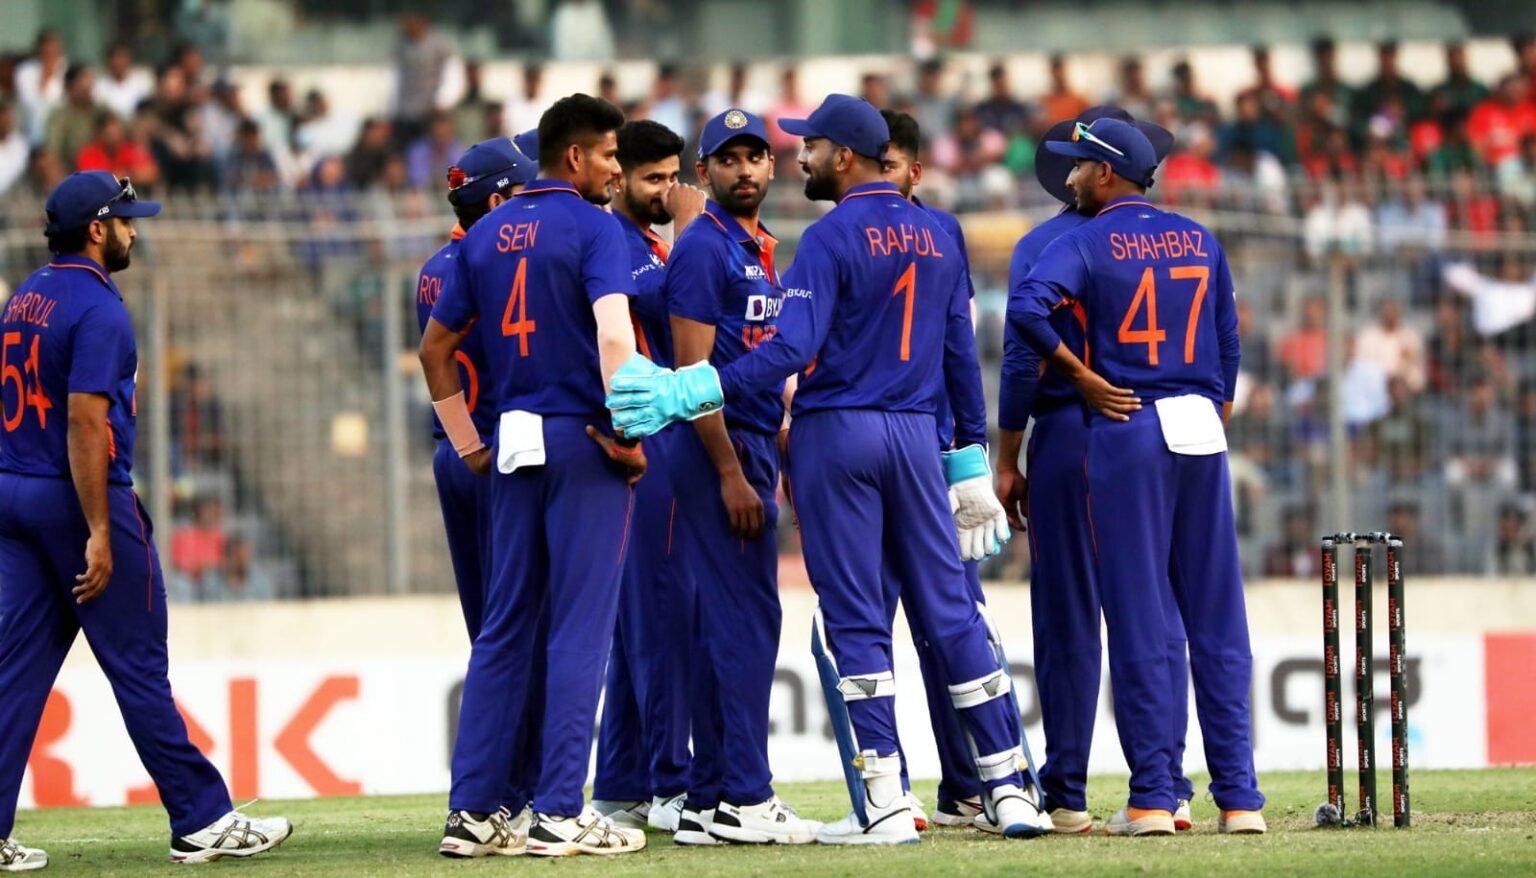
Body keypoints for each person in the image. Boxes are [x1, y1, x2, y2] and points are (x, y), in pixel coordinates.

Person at [607, 94, 1051, 844]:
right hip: (918, 435)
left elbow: (789, 350)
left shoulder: (826, 236)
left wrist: (693, 388)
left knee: (855, 615)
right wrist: (968, 458)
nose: (800, 158)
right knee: (953, 610)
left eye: (809, 146)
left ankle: (885, 800)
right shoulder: (942, 234)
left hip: (837, 435)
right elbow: (959, 354)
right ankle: (1009, 789)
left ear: (844, 156)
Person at [0, 172, 292, 870]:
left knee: (13, 671)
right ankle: (202, 819)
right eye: (127, 220)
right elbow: (85, 421)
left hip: (14, 489)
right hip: (77, 500)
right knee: (138, 666)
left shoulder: (25, 294)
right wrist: (100, 529)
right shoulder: (99, 308)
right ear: (97, 229)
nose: (135, 231)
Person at [1008, 117, 1266, 836]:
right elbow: (1228, 341)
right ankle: (1240, 798)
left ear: (1107, 173)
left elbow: (1027, 310)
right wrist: (1213, 409)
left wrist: (1080, 376)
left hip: (1126, 424)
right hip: (1200, 426)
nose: (1070, 177)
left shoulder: (1085, 241)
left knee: (1140, 614)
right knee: (1217, 614)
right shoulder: (1200, 238)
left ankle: (1153, 795)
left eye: (1079, 165)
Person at [419, 93, 648, 858]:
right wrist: (629, 434)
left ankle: (472, 813)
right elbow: (614, 339)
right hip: (584, 437)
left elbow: (434, 349)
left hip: (511, 438)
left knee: (503, 630)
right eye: (610, 155)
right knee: (580, 628)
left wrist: (467, 442)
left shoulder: (485, 234)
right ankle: (557, 811)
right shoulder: (596, 227)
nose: (616, 170)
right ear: (576, 156)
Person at [995, 106, 1199, 835]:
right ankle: (1166, 784)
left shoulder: (1041, 244)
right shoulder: (1177, 240)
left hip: (1068, 434)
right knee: (1157, 611)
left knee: (1068, 619)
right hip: (1158, 431)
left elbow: (1022, 356)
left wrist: (1007, 454)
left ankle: (1067, 793)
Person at [657, 108, 819, 846]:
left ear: (772, 165)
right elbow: (693, 374)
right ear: (705, 172)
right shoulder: (704, 247)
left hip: (749, 439)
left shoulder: (754, 245)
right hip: (718, 447)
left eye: (755, 156)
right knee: (746, 621)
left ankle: (710, 794)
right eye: (728, 159)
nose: (744, 169)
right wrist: (729, 471)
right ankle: (746, 798)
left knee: (727, 620)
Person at [415, 137, 540, 858]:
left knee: (490, 632)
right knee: (518, 631)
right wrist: (477, 444)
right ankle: (512, 798)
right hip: (497, 453)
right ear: (496, 201)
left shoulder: (434, 267)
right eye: (521, 193)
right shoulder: (496, 261)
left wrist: (460, 443)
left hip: (455, 452)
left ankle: (499, 794)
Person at [878, 108, 997, 832]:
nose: (876, 175)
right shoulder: (841, 231)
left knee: (949, 619)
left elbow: (961, 346)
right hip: (872, 447)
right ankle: (886, 788)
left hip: (930, 449)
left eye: (888, 165)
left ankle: (968, 784)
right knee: (868, 620)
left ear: (915, 171)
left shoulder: (943, 232)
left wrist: (970, 454)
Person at [589, 120, 706, 834]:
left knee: (641, 618)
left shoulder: (646, 242)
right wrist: (694, 234)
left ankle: (622, 782)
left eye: (673, 176)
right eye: (652, 178)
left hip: (661, 437)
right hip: (648, 438)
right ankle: (671, 782)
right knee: (662, 616)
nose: (668, 190)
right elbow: (666, 305)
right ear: (621, 179)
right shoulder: (618, 243)